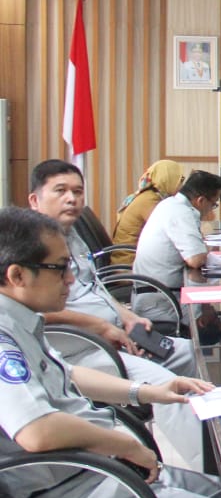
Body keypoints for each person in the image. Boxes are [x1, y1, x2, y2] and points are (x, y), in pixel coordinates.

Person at [0, 207, 221, 498]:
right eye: (60, 268)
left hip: (87, 476)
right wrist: (124, 445)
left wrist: (149, 391)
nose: (70, 279)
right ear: (17, 275)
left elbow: (67, 374)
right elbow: (37, 431)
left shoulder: (19, 318)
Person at [28, 159, 204, 466]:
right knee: (167, 386)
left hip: (113, 335)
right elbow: (32, 315)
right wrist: (98, 326)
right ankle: (213, 470)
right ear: (35, 200)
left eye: (77, 191)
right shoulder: (27, 246)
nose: (72, 199)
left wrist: (125, 316)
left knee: (192, 353)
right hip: (81, 348)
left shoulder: (71, 236)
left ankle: (206, 437)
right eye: (60, 191)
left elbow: (94, 286)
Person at [133, 171, 221, 325]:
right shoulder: (181, 212)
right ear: (201, 200)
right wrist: (205, 249)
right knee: (204, 320)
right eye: (213, 204)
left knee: (206, 304)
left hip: (157, 292)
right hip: (162, 302)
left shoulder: (170, 204)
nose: (212, 209)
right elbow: (196, 259)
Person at [111, 159, 185, 265]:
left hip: (137, 258)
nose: (181, 185)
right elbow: (169, 231)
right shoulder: (149, 200)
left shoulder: (151, 196)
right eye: (179, 180)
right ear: (167, 179)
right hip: (129, 262)